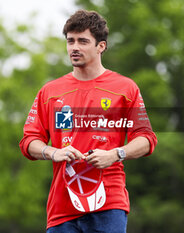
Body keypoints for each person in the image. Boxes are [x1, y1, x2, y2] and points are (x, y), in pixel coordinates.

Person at [19, 9, 157, 233]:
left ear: (101, 46)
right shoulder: (50, 92)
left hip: (108, 204)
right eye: (70, 41)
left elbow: (146, 139)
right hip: (62, 208)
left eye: (83, 41)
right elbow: (29, 141)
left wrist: (115, 154)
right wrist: (54, 152)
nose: (74, 47)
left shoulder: (125, 88)